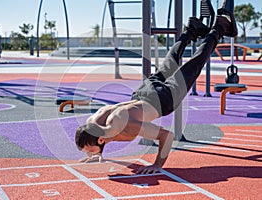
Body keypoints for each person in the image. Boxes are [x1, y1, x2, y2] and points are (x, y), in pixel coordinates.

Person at [75, 6, 237, 174]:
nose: (88, 152)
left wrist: (157, 165)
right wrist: (98, 153)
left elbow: (166, 136)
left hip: (163, 99)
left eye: (90, 150)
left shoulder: (125, 126)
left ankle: (219, 26)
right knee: (169, 63)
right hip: (143, 92)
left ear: (100, 139)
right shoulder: (93, 121)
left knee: (193, 65)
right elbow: (99, 136)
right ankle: (191, 30)